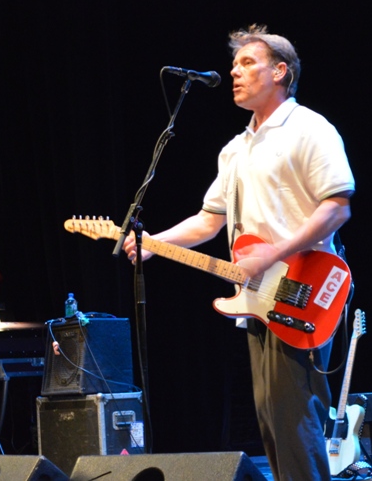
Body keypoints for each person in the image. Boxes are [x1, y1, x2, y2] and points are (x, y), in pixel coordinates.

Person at [124, 24, 354, 481]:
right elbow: (210, 220)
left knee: (295, 420)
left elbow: (337, 207)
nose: (235, 72)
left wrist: (271, 255)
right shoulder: (234, 150)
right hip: (260, 297)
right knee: (271, 420)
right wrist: (155, 242)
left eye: (248, 63)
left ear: (280, 71)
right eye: (234, 65)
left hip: (304, 290)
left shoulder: (309, 128)